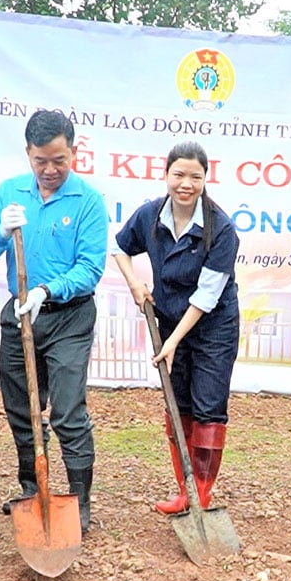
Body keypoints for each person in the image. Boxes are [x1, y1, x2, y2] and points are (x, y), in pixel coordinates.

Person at [0, 110, 109, 532]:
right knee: (21, 409)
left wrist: (47, 291)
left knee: (67, 411)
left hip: (69, 317)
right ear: (28, 153)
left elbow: (90, 268)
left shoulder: (88, 201)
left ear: (74, 152)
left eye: (59, 160)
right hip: (19, 317)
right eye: (40, 161)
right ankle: (34, 488)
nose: (50, 170)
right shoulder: (10, 193)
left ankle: (79, 499)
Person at [111, 142, 240, 514]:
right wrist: (135, 284)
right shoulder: (150, 215)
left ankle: (201, 493)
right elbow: (119, 248)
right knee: (177, 402)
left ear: (205, 178)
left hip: (213, 325)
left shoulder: (221, 229)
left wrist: (173, 342)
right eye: (179, 174)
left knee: (208, 405)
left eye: (195, 177)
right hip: (169, 319)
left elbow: (207, 296)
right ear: (166, 174)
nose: (186, 184)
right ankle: (186, 489)